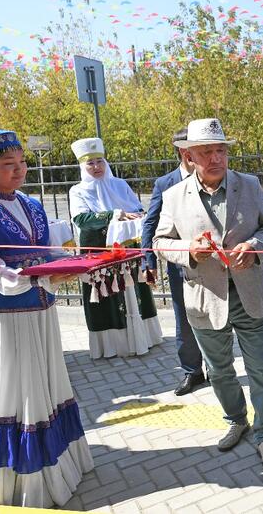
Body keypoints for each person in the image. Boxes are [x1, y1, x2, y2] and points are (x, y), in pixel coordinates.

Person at [0, 129, 93, 507]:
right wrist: (45, 276)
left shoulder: (31, 203)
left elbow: (48, 250)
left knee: (47, 384)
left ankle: (60, 462)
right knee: (16, 389)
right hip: (5, 317)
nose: (20, 170)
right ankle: (18, 480)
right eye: (9, 164)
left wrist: (74, 263)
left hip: (41, 311)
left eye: (22, 162)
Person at [153, 118, 263, 472]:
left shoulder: (249, 185)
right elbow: (159, 241)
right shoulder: (173, 196)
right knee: (219, 370)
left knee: (261, 368)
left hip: (250, 294)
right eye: (206, 152)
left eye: (221, 151)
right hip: (205, 298)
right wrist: (188, 250)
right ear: (189, 157)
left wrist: (254, 246)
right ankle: (237, 420)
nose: (216, 158)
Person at [68, 138, 163, 359]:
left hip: (129, 249)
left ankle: (143, 337)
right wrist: (114, 215)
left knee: (136, 291)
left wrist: (137, 215)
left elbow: (137, 207)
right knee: (108, 296)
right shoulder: (77, 191)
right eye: (90, 163)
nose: (96, 167)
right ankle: (113, 344)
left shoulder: (119, 184)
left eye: (99, 161)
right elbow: (81, 219)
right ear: (82, 166)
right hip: (100, 251)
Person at [141, 128, 205, 396]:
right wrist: (148, 260)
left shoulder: (213, 176)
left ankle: (219, 369)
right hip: (180, 264)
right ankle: (192, 371)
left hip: (213, 262)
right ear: (182, 151)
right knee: (184, 319)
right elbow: (151, 222)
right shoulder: (165, 183)